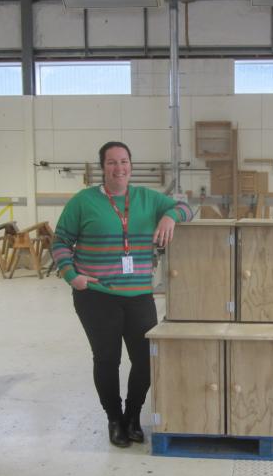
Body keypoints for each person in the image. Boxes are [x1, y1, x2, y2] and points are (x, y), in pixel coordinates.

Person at [52, 141, 193, 447]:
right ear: (102, 167)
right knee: (107, 359)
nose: (119, 168)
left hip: (139, 294)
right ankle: (114, 420)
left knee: (145, 359)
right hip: (96, 294)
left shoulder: (146, 198)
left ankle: (132, 416)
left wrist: (170, 217)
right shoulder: (83, 201)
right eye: (112, 162)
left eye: (124, 161)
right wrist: (72, 276)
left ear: (131, 165)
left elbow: (185, 207)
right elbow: (60, 241)